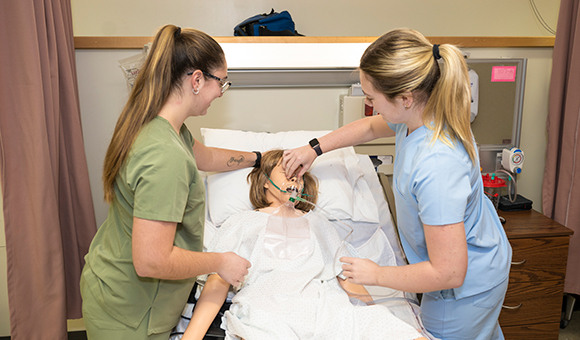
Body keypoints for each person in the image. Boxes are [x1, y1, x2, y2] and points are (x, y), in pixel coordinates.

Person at [282, 28, 512, 340]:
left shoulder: (437, 165)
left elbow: (449, 272)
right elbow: (369, 127)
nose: (370, 104)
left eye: (371, 97)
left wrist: (376, 274)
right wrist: (314, 148)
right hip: (475, 261)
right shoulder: (421, 113)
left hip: (465, 288)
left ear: (404, 98)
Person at [80, 25, 255, 339]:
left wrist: (259, 156)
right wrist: (222, 262)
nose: (220, 92)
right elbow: (151, 261)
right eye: (221, 82)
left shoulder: (161, 125)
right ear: (197, 80)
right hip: (130, 315)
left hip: (112, 286)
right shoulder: (165, 156)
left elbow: (205, 157)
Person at [182, 149, 427, 340]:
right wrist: (192, 336)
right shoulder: (242, 222)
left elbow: (347, 278)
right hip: (267, 311)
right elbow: (217, 281)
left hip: (325, 310)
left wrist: (374, 308)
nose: (294, 178)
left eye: (299, 174)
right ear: (265, 181)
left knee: (386, 326)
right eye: (285, 170)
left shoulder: (318, 222)